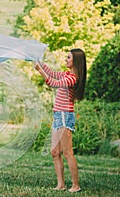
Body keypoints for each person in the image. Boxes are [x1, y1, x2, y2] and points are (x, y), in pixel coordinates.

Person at [34, 48, 86, 193]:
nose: (65, 59)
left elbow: (51, 82)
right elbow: (52, 74)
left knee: (67, 152)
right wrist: (40, 63)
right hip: (58, 115)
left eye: (68, 57)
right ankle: (61, 185)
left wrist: (39, 70)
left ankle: (76, 185)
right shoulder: (67, 74)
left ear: (75, 61)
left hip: (64, 116)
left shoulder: (72, 78)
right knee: (55, 152)